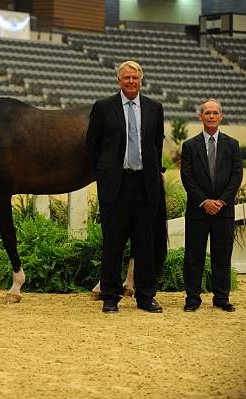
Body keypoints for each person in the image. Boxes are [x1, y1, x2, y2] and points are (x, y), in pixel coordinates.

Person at [86, 60, 165, 313]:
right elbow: (92, 146)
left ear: (141, 80)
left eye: (135, 78)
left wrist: (151, 174)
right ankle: (110, 296)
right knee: (113, 243)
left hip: (144, 185)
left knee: (145, 243)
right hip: (115, 186)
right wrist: (104, 174)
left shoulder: (155, 108)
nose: (131, 82)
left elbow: (156, 147)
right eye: (126, 78)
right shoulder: (103, 107)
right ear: (119, 80)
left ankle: (145, 296)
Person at [180, 99, 243, 312]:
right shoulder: (189, 146)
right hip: (198, 210)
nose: (211, 116)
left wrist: (222, 200)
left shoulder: (232, 145)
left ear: (221, 116)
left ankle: (221, 298)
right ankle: (192, 299)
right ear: (200, 117)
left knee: (222, 256)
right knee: (193, 256)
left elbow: (236, 176)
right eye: (207, 112)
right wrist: (204, 201)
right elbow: (187, 177)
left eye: (215, 112)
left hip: (224, 211)